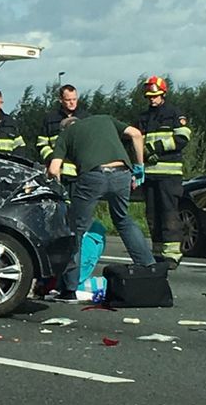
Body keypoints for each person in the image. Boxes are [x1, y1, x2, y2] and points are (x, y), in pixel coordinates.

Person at [48, 114, 155, 302]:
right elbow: (136, 134)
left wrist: (59, 193)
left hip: (93, 177)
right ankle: (149, 268)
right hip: (122, 173)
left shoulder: (65, 135)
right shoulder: (105, 119)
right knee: (122, 219)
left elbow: (54, 169)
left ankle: (69, 290)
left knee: (76, 230)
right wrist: (139, 165)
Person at [136, 75, 191, 268]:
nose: (152, 99)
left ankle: (172, 255)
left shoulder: (174, 113)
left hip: (169, 174)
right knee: (152, 215)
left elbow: (182, 139)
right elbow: (134, 140)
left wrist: (155, 148)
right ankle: (157, 252)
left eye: (156, 95)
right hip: (149, 174)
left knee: (169, 213)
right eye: (149, 96)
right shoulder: (143, 117)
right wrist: (142, 152)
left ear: (163, 94)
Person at [36, 84, 89, 196]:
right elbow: (41, 144)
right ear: (60, 100)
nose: (72, 102)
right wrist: (53, 159)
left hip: (82, 173)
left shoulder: (85, 118)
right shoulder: (50, 119)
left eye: (74, 99)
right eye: (68, 100)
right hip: (59, 174)